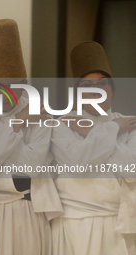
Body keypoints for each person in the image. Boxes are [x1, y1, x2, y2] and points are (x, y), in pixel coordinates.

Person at [0, 19, 63, 255]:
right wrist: (18, 123)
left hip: (27, 212)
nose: (5, 93)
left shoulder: (39, 111)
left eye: (13, 86)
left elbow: (33, 166)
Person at [51, 41, 136, 255]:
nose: (95, 90)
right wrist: (111, 131)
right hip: (73, 223)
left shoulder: (129, 123)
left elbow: (130, 169)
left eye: (102, 84)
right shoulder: (62, 124)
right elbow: (78, 163)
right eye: (86, 86)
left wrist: (93, 132)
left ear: (112, 90)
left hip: (118, 223)